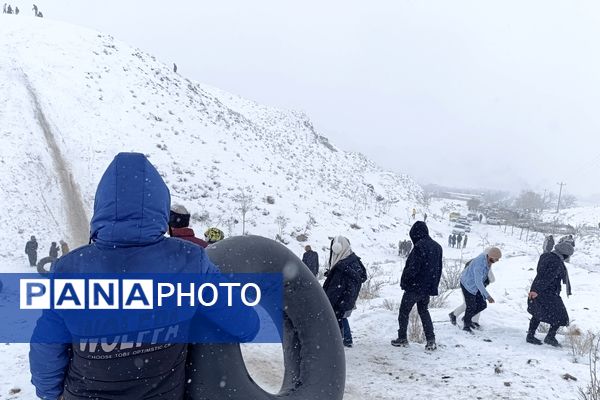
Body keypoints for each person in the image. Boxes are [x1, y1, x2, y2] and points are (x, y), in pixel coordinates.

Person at [30, 152, 259, 400]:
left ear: (101, 207)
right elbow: (246, 325)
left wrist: (51, 394)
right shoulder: (189, 261)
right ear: (160, 205)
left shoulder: (68, 270)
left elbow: (47, 346)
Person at [391, 221, 443, 350]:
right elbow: (438, 269)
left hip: (414, 287)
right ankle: (431, 340)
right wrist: (433, 285)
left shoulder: (419, 246)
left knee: (404, 311)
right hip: (427, 288)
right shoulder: (437, 247)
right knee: (424, 311)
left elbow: (413, 268)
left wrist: (405, 280)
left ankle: (402, 338)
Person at [526, 241, 574, 347]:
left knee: (538, 312)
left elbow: (541, 274)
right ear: (564, 254)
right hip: (548, 292)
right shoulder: (556, 262)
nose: (568, 258)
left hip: (539, 289)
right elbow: (547, 277)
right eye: (568, 255)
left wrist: (535, 289)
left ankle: (530, 335)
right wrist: (536, 290)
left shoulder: (546, 256)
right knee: (562, 316)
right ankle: (550, 337)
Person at [323, 236, 367, 348]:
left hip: (341, 299)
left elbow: (335, 290)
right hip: (348, 298)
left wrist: (325, 303)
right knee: (342, 317)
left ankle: (338, 342)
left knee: (337, 318)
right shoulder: (353, 259)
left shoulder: (342, 267)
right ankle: (347, 339)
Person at [459, 247, 501, 333]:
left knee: (482, 305)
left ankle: (467, 318)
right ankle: (466, 326)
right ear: (490, 257)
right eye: (496, 259)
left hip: (476, 285)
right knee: (471, 306)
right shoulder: (479, 264)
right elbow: (478, 282)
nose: (497, 261)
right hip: (468, 284)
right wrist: (488, 296)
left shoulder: (488, 259)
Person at [449, 259, 495, 329]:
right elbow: (492, 279)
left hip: (476, 288)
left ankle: (473, 321)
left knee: (476, 304)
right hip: (468, 287)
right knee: (469, 304)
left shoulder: (479, 264)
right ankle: (454, 315)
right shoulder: (480, 265)